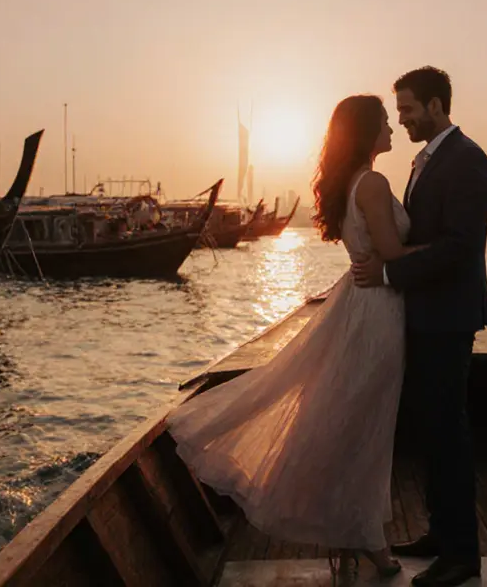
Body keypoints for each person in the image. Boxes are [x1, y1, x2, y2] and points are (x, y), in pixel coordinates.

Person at [167, 94, 414, 582]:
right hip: (378, 314)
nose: (391, 129)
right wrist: (450, 247)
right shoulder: (374, 182)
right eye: (384, 122)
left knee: (353, 420)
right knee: (365, 427)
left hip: (361, 305)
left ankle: (356, 537)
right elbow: (393, 253)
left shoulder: (351, 183)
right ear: (366, 132)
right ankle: (368, 541)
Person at [353, 66, 487, 587]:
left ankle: (462, 556)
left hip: (449, 317)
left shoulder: (467, 160)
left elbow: (460, 248)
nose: (402, 119)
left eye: (409, 110)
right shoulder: (428, 160)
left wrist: (389, 271)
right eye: (398, 112)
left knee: (449, 433)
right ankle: (441, 534)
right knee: (434, 432)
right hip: (424, 314)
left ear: (436, 106)